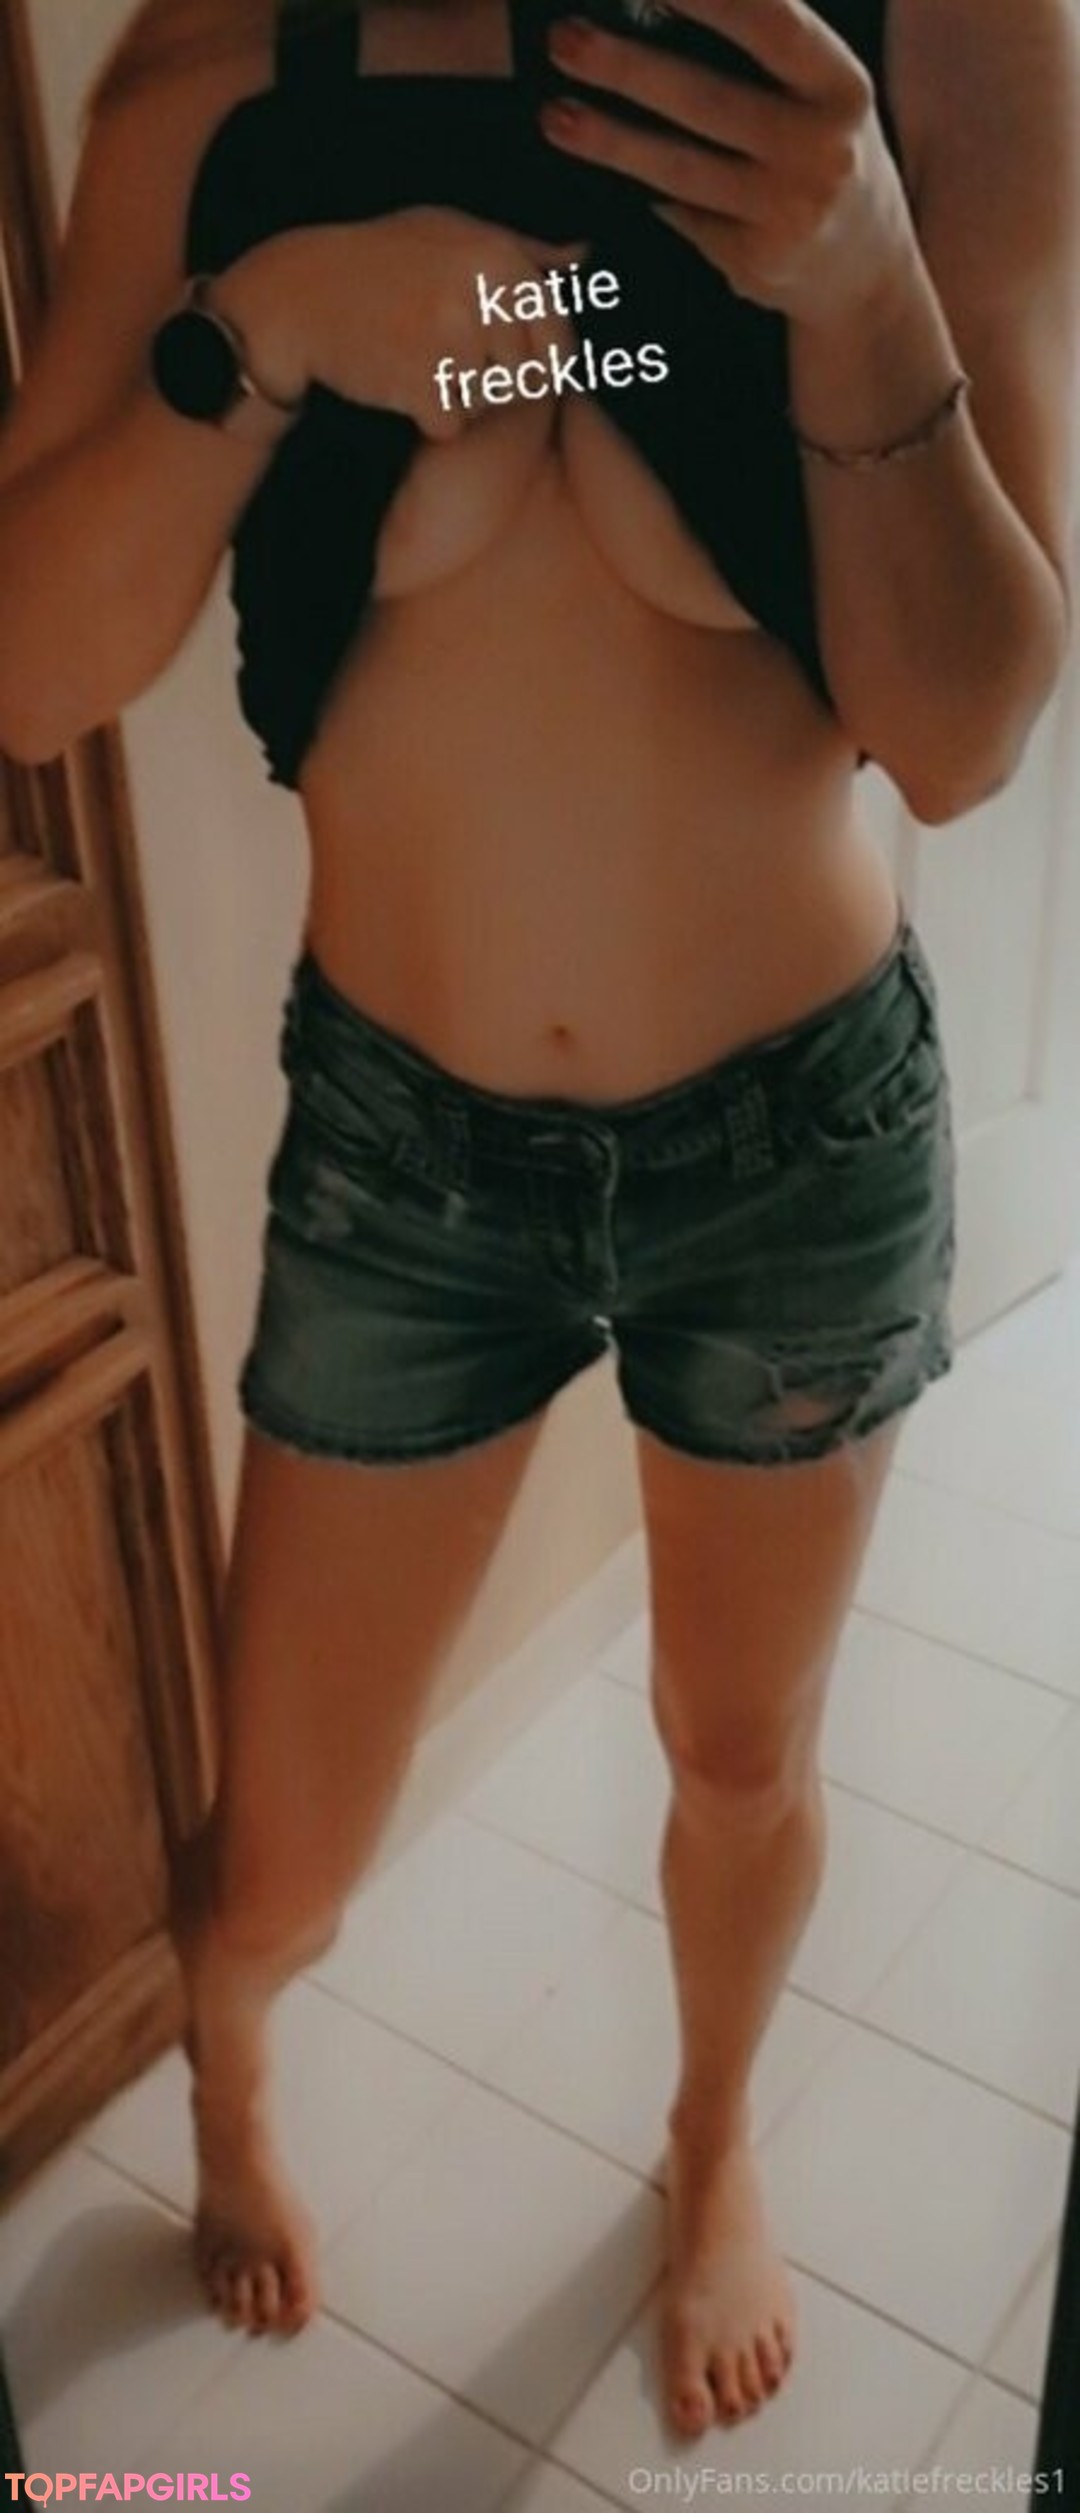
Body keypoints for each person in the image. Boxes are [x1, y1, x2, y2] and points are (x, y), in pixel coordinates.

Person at [0, 0, 1076, 2439]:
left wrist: (864, 280)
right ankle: (230, 2055)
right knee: (281, 1863)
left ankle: (712, 2142)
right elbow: (36, 669)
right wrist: (268, 328)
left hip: (799, 1148)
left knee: (740, 1755)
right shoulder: (218, 74)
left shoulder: (948, 49)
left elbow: (965, 730)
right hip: (412, 1173)